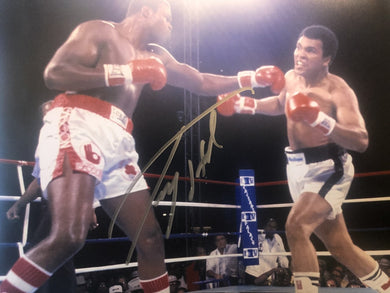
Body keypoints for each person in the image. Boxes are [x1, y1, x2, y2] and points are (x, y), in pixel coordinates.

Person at [0, 1, 286, 292]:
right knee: (69, 237)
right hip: (78, 122)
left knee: (149, 238)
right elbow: (56, 74)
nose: (171, 25)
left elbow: (199, 81)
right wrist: (126, 72)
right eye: (167, 17)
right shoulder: (100, 31)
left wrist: (250, 78)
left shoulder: (157, 55)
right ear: (146, 10)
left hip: (119, 138)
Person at [216, 24, 390, 293]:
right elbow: (280, 103)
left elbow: (361, 140)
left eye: (310, 50)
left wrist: (320, 119)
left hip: (329, 168)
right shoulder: (291, 78)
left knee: (296, 226)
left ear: (326, 59)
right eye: (299, 47)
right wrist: (245, 105)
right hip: (296, 169)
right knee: (340, 247)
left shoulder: (338, 90)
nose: (300, 54)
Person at [244, 218, 290, 286]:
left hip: (269, 276)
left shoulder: (278, 238)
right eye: (269, 226)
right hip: (253, 273)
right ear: (265, 227)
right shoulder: (256, 237)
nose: (271, 229)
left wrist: (286, 267)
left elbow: (282, 256)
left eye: (274, 227)